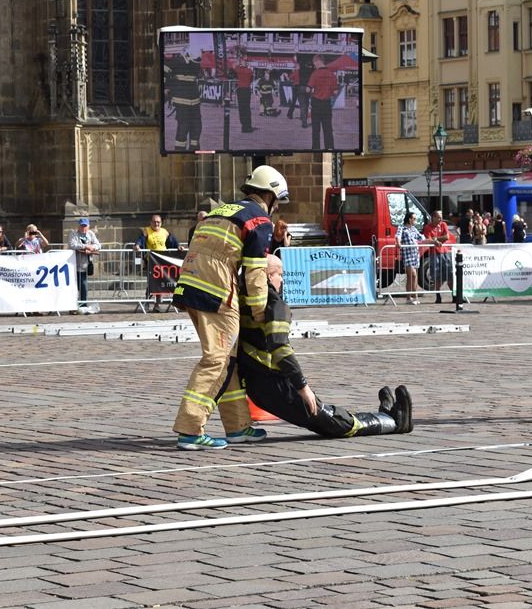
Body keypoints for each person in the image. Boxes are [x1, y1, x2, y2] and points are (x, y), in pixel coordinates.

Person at [171, 165, 288, 450]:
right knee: (217, 360)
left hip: (191, 285)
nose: (276, 207)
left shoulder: (221, 211)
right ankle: (190, 429)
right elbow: (255, 273)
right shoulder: (259, 220)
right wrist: (260, 314)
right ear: (270, 195)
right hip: (217, 292)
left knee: (229, 360)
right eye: (277, 201)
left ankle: (237, 426)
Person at [238, 255, 413, 438]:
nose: (282, 280)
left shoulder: (243, 300)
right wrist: (303, 387)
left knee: (326, 417)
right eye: (280, 275)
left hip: (256, 386)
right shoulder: (275, 304)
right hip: (278, 385)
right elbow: (280, 349)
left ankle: (384, 415)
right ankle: (396, 422)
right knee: (333, 421)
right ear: (268, 276)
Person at [134, 215, 180, 312]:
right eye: (154, 222)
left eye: (158, 222)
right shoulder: (147, 231)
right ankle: (147, 302)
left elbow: (173, 241)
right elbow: (141, 240)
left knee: (160, 284)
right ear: (151, 222)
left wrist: (178, 246)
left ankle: (157, 305)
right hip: (151, 261)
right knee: (152, 283)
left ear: (161, 223)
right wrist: (137, 245)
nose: (156, 224)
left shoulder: (164, 232)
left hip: (162, 261)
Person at [164, 49, 203, 151]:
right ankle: (180, 150)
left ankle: (194, 148)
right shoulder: (177, 61)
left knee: (197, 126)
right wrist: (167, 87)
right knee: (183, 126)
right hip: (181, 99)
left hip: (194, 99)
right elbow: (164, 71)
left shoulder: (195, 63)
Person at [68, 217, 100, 311]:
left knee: (83, 286)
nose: (83, 228)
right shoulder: (73, 234)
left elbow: (98, 245)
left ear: (88, 226)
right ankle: (73, 306)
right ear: (78, 226)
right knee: (74, 287)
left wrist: (92, 248)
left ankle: (83, 306)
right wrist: (85, 246)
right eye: (82, 226)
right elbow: (72, 245)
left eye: (85, 226)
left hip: (85, 265)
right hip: (74, 264)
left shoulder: (91, 234)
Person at [307, 54, 337, 150]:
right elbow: (335, 92)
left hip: (316, 104)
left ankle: (316, 149)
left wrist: (311, 91)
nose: (314, 65)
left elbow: (308, 89)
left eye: (314, 63)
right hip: (326, 104)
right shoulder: (331, 74)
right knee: (328, 129)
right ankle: (330, 148)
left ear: (318, 61)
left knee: (315, 130)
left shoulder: (315, 74)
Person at [396, 212, 424, 305]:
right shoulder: (402, 228)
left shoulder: (413, 229)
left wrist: (433, 241)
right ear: (409, 219)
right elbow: (398, 236)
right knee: (413, 275)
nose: (415, 220)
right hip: (407, 255)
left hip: (415, 255)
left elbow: (421, 238)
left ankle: (409, 297)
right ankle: (414, 296)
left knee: (411, 277)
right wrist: (398, 242)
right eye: (414, 219)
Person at [426, 210, 453, 303]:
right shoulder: (428, 227)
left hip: (445, 252)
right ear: (433, 217)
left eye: (441, 217)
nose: (440, 219)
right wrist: (434, 241)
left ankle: (454, 295)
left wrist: (436, 239)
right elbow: (428, 239)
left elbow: (447, 237)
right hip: (434, 253)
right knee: (436, 276)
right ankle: (438, 296)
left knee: (450, 275)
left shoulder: (443, 224)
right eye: (438, 217)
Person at [233, 55, 255, 133]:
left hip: (241, 90)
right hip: (247, 90)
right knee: (247, 108)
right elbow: (251, 79)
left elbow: (233, 67)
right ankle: (248, 125)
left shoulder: (239, 69)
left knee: (241, 108)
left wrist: (238, 61)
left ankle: (244, 125)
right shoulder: (250, 71)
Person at [286, 62, 310, 127]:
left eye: (295, 66)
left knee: (294, 101)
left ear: (297, 66)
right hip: (303, 87)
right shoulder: (304, 72)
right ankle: (302, 116)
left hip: (296, 87)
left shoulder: (296, 72)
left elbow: (289, 78)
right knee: (304, 103)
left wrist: (289, 75)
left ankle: (290, 114)